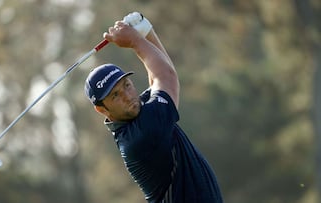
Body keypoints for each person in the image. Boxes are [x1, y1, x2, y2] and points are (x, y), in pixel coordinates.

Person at [84, 12, 223, 203]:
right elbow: (166, 76)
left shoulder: (140, 114)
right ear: (102, 110)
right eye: (115, 95)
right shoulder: (140, 137)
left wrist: (146, 33)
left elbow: (162, 73)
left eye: (126, 85)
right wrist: (134, 41)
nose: (127, 95)